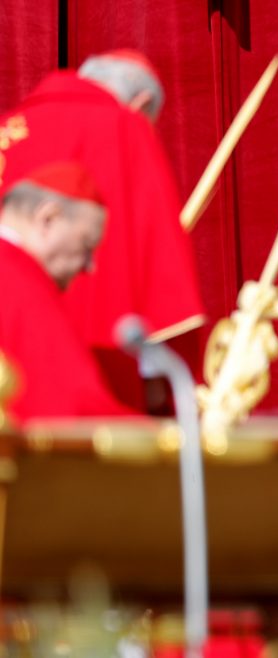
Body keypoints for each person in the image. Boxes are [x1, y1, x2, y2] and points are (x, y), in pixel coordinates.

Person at [0, 49, 205, 412]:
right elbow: (155, 262)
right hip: (94, 344)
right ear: (141, 104)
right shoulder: (125, 126)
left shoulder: (9, 126)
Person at [0, 161, 132, 421]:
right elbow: (72, 410)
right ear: (48, 219)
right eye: (86, 245)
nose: (89, 266)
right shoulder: (20, 279)